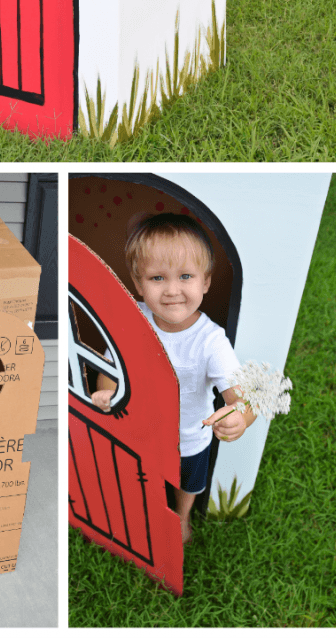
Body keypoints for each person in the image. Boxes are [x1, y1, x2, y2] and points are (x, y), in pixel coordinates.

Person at [91, 212, 256, 545]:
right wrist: (105, 393)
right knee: (142, 474)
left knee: (188, 483)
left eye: (185, 276)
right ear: (138, 284)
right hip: (139, 428)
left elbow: (242, 397)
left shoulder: (211, 341)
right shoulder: (132, 318)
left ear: (206, 282)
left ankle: (181, 517)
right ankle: (144, 509)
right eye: (157, 278)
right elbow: (110, 369)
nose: (172, 291)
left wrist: (241, 416)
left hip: (189, 436)